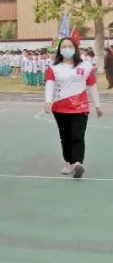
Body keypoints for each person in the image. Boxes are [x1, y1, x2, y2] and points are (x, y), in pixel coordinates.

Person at [45, 37, 104, 178]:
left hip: (80, 107)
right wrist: (47, 101)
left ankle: (78, 163)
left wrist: (97, 105)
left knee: (77, 135)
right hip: (60, 107)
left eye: (69, 46)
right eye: (64, 46)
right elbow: (50, 84)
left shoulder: (86, 66)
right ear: (60, 49)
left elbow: (92, 86)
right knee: (65, 136)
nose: (67, 49)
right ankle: (69, 163)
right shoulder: (54, 67)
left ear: (75, 48)